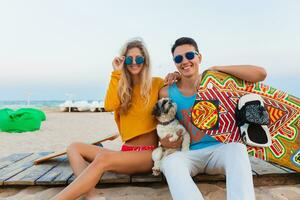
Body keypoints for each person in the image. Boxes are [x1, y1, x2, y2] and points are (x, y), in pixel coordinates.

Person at [52, 39, 178, 200]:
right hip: (126, 153)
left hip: (148, 155)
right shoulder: (122, 87)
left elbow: (180, 92)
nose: (134, 63)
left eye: (139, 59)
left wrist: (177, 76)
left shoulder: (156, 83)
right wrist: (116, 73)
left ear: (145, 61)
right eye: (129, 59)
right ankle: (91, 194)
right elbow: (109, 106)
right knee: (74, 147)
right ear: (123, 61)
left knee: (102, 158)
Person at [159, 37, 267, 200]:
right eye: (178, 58)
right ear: (175, 63)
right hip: (189, 154)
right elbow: (163, 124)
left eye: (189, 55)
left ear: (199, 57)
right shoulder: (166, 92)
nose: (185, 61)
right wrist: (164, 142)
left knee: (237, 148)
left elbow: (261, 73)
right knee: (169, 162)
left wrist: (217, 69)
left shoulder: (216, 82)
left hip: (220, 150)